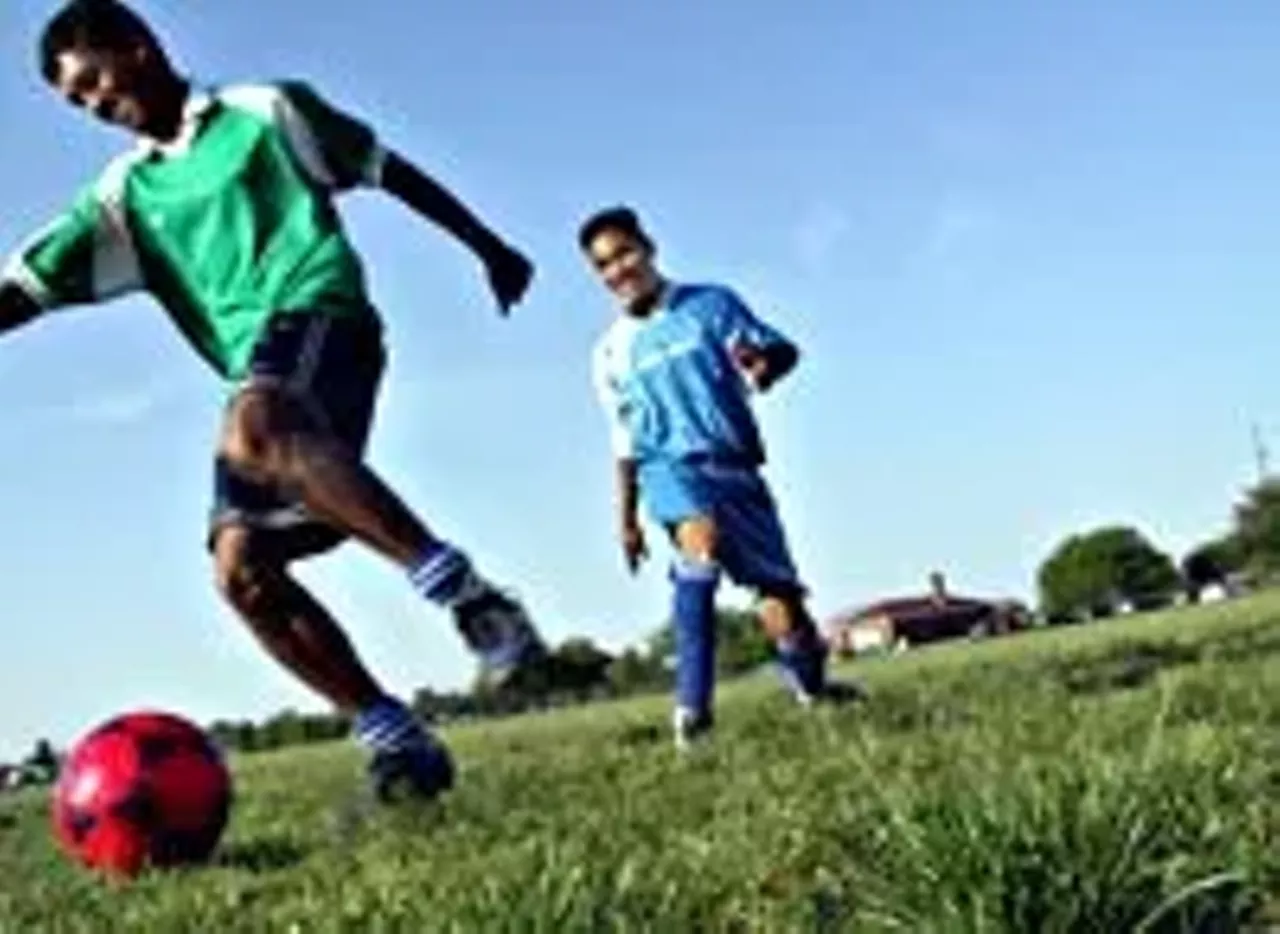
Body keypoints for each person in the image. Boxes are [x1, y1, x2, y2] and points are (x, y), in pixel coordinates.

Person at [0, 0, 548, 801]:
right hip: (256, 380)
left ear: (137, 46)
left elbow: (387, 170)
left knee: (253, 425)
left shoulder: (266, 111)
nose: (93, 106)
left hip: (324, 318)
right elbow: (25, 286)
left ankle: (469, 597)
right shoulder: (124, 196)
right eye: (75, 102)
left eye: (93, 82)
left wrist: (487, 245)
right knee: (241, 572)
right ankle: (396, 741)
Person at [582, 205, 856, 748]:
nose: (618, 271)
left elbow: (777, 353)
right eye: (603, 265)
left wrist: (762, 366)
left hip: (735, 466)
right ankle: (693, 713)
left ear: (648, 247)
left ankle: (813, 690)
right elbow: (624, 442)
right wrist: (626, 520)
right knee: (699, 547)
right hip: (670, 469)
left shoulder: (712, 304)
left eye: (624, 254)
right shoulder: (609, 352)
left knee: (782, 605)